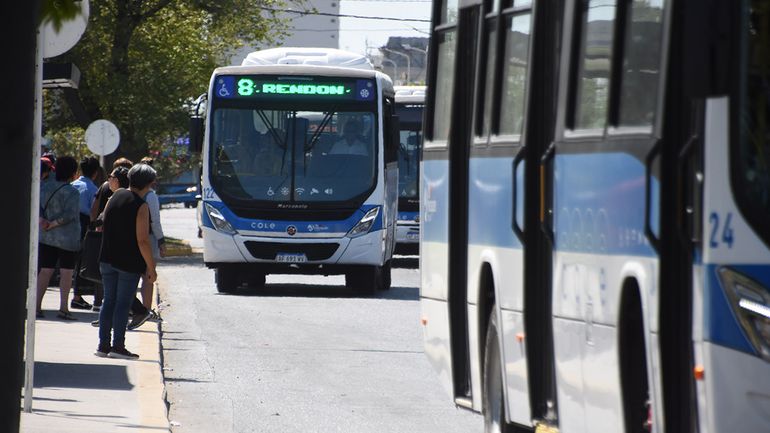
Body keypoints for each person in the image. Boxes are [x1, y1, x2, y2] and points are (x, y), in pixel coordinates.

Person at [95, 163, 158, 360]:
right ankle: (118, 346)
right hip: (128, 262)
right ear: (149, 183)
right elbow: (142, 240)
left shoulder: (114, 197)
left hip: (106, 258)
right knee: (122, 304)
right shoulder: (141, 205)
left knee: (108, 302)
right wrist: (151, 267)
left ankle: (103, 345)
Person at [36, 156, 82, 320]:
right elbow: (70, 215)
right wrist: (54, 223)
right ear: (73, 172)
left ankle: (37, 306)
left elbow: (38, 208)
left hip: (47, 237)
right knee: (66, 273)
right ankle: (63, 308)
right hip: (68, 239)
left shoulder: (44, 188)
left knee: (45, 271)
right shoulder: (73, 192)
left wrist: (44, 222)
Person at [70, 155, 101, 310]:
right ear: (95, 173)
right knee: (82, 263)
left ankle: (76, 296)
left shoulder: (71, 185)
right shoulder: (94, 190)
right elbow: (93, 214)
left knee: (69, 264)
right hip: (84, 228)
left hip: (66, 227)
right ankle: (77, 296)